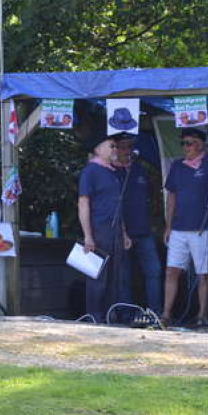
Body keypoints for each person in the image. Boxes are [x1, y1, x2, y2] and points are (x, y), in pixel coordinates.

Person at [162, 128, 208, 327]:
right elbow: (171, 196)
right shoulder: (177, 166)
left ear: (201, 144)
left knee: (203, 274)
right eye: (183, 143)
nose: (186, 147)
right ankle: (166, 314)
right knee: (172, 271)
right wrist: (168, 226)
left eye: (190, 143)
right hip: (179, 228)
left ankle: (202, 315)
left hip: (202, 228)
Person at [77, 132, 130, 323]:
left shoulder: (113, 172)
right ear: (98, 149)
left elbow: (118, 205)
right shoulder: (90, 171)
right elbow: (83, 203)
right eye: (111, 146)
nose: (115, 149)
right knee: (98, 274)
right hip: (99, 227)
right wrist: (88, 236)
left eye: (115, 146)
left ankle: (110, 314)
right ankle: (94, 316)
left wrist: (124, 232)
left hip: (115, 228)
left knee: (115, 275)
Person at [114, 135, 164, 316]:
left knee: (154, 272)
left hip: (144, 231)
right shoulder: (110, 172)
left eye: (129, 147)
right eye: (122, 147)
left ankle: (154, 314)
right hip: (122, 233)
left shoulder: (140, 169)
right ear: (115, 149)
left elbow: (153, 196)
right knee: (124, 277)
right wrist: (122, 231)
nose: (126, 151)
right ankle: (127, 315)